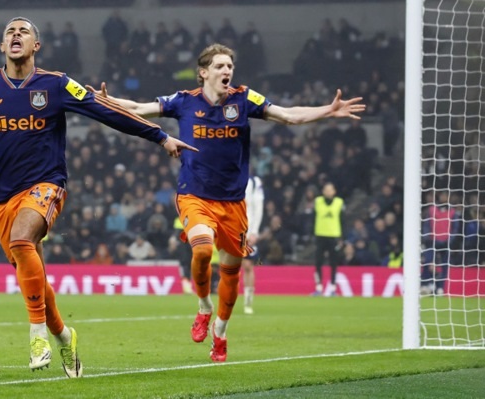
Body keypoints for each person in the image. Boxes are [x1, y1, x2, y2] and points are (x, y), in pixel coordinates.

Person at [0, 19, 196, 377]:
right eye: (9, 32)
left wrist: (160, 136)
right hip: (2, 197)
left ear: (36, 45)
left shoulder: (57, 83)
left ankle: (37, 334)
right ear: (1, 46)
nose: (16, 35)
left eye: (23, 31)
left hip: (46, 184)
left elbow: (104, 111)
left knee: (22, 240)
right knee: (32, 273)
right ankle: (63, 335)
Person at [95, 42, 364, 363]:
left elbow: (288, 116)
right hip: (194, 195)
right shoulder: (184, 101)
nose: (227, 71)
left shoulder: (244, 98)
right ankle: (203, 306)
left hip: (233, 203)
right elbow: (139, 109)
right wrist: (106, 100)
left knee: (231, 273)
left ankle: (220, 332)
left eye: (230, 67)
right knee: (201, 250)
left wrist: (327, 110)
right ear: (203, 72)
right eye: (220, 66)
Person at [313, 181, 345, 297]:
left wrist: (342, 237)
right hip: (320, 235)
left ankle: (333, 288)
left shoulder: (339, 202)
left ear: (334, 191)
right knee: (318, 262)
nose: (328, 192)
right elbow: (313, 217)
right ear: (323, 191)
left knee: (334, 263)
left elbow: (343, 220)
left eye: (330, 189)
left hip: (334, 236)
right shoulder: (318, 201)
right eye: (326, 189)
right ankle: (318, 287)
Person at [242, 174, 264, 314]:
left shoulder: (255, 182)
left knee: (248, 266)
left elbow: (258, 208)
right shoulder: (227, 176)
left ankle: (248, 301)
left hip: (247, 231)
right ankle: (227, 301)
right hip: (229, 229)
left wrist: (254, 231)